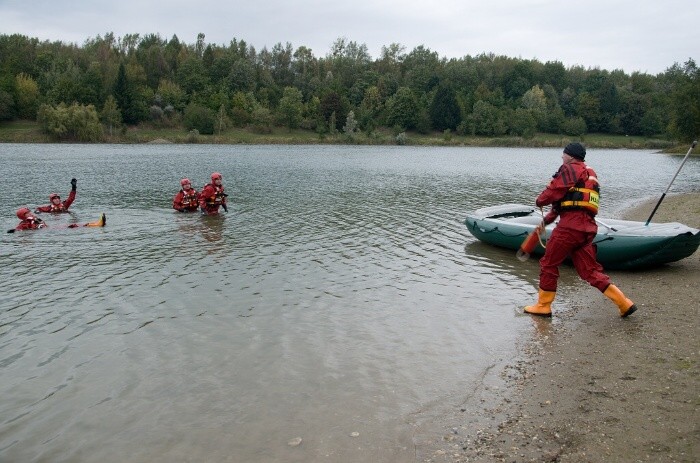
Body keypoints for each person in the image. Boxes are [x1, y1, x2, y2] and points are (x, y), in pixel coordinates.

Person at [524, 143, 637, 318]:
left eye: (563, 154)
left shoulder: (570, 169)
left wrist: (539, 201)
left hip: (570, 228)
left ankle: (543, 305)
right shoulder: (589, 174)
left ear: (570, 156)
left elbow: (552, 192)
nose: (561, 157)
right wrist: (545, 222)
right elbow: (560, 207)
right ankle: (624, 303)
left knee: (548, 264)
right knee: (590, 271)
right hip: (587, 230)